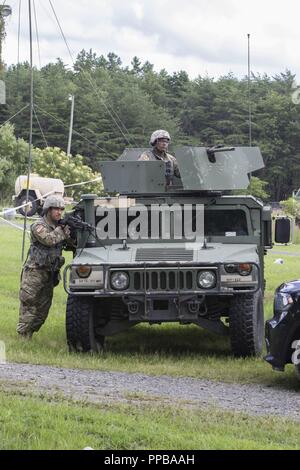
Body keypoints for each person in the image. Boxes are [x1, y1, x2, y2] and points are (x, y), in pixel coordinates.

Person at [17, 195, 75, 339]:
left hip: (50, 273)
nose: (59, 212)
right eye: (56, 209)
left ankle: (31, 331)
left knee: (43, 308)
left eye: (61, 209)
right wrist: (63, 230)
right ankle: (23, 335)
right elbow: (49, 240)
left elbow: (71, 243)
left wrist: (71, 231)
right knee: (29, 303)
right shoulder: (38, 225)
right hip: (35, 272)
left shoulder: (58, 226)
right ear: (48, 210)